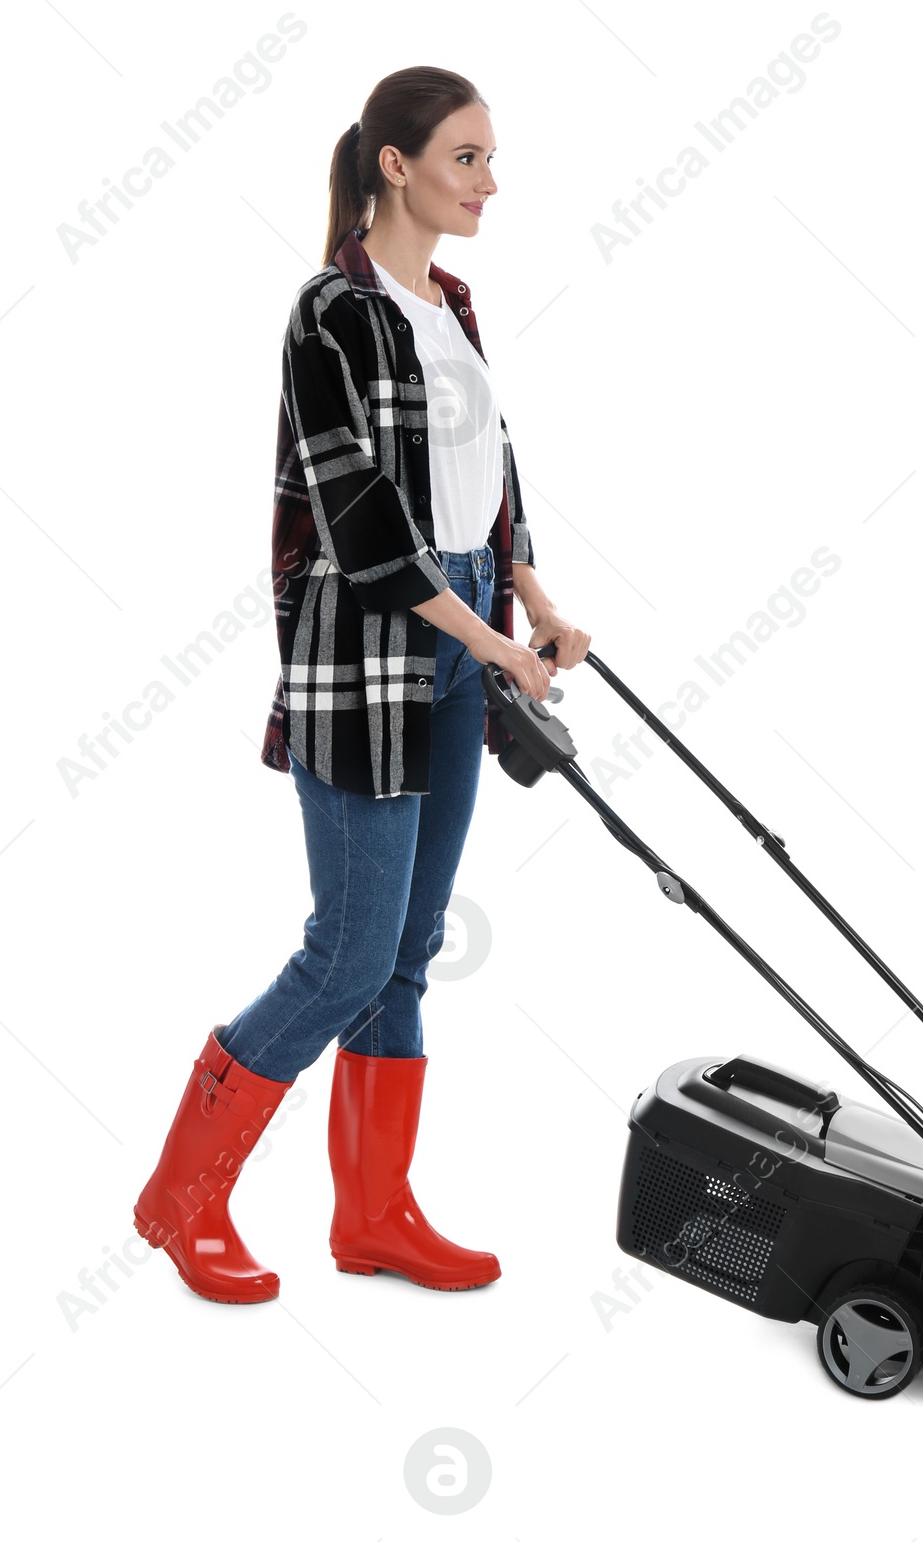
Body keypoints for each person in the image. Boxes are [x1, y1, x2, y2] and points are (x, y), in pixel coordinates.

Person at [134, 66, 589, 1303]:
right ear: (395, 163)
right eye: (468, 156)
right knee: (346, 952)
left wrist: (533, 596)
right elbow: (358, 521)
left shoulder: (452, 305)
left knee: (408, 949)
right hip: (370, 650)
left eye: (491, 157)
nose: (491, 180)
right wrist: (489, 638)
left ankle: (374, 1214)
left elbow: (489, 465)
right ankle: (181, 1200)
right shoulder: (330, 311)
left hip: (465, 630)